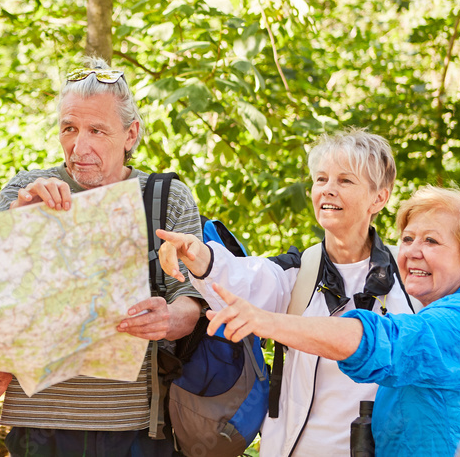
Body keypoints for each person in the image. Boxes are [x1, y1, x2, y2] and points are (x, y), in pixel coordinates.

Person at [0, 57, 203, 457]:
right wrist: (16, 224)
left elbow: (192, 301)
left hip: (134, 429)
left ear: (131, 134)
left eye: (97, 130)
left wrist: (168, 318)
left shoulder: (165, 198)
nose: (80, 147)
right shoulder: (27, 189)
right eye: (69, 129)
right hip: (38, 426)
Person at [198, 186, 460, 457]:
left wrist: (266, 323)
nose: (411, 252)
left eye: (432, 241)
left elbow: (379, 341)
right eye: (408, 239)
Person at [158, 129, 415, 456]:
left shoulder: (410, 277)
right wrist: (197, 253)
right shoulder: (301, 271)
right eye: (321, 179)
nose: (328, 190)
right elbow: (244, 278)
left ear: (380, 197)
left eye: (345, 181)